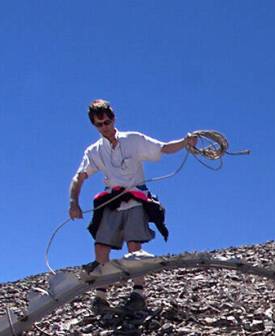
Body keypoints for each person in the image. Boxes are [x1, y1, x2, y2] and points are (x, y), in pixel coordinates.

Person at [68, 99, 196, 314]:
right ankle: (100, 295)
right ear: (94, 126)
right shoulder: (94, 151)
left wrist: (185, 142)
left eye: (107, 122)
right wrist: (74, 202)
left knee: (134, 245)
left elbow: (162, 148)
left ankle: (138, 292)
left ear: (114, 119)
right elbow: (79, 177)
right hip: (111, 199)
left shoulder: (133, 139)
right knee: (101, 245)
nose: (104, 127)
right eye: (99, 125)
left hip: (136, 197)